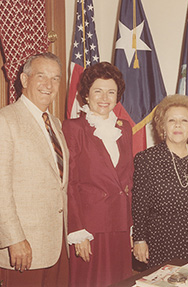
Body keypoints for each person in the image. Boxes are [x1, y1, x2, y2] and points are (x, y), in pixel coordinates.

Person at [0, 52, 69, 286]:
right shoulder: (2, 122)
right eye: (41, 76)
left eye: (56, 78)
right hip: (22, 249)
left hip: (56, 244)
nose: (49, 85)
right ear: (24, 80)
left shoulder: (55, 123)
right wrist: (14, 240)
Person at [62, 62, 133, 287]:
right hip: (90, 228)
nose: (105, 98)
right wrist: (78, 230)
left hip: (120, 223)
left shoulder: (125, 129)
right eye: (98, 91)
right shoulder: (73, 128)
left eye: (111, 91)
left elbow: (128, 179)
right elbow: (70, 183)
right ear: (86, 94)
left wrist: (131, 225)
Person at [132, 94, 188, 268]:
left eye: (184, 121)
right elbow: (139, 203)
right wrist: (139, 239)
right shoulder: (147, 158)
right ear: (163, 126)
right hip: (162, 239)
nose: (178, 125)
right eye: (172, 120)